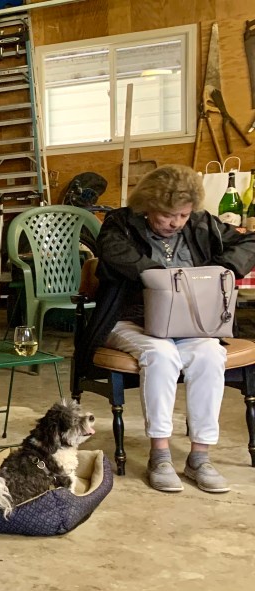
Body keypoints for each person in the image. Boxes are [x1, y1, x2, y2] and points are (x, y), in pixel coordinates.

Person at [78, 164, 255, 493]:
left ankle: (199, 457)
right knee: (161, 354)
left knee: (210, 356)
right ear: (147, 206)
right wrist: (165, 278)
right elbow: (115, 256)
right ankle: (159, 455)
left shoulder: (202, 223)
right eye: (166, 215)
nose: (176, 223)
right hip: (131, 319)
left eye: (183, 215)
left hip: (190, 322)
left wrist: (223, 268)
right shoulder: (120, 223)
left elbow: (251, 241)